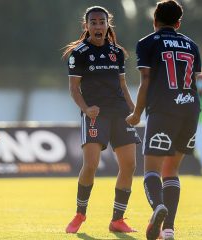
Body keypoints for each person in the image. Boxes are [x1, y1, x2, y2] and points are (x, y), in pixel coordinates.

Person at [126, 1, 202, 239]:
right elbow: (192, 80)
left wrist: (137, 113)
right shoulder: (192, 45)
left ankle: (158, 206)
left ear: (154, 20)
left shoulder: (147, 43)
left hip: (162, 110)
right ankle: (168, 230)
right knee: (172, 171)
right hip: (190, 110)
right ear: (178, 23)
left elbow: (146, 80)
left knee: (152, 171)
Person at [63, 6, 140, 234]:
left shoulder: (116, 52)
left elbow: (123, 85)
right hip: (95, 115)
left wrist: (133, 109)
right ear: (86, 26)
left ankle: (117, 219)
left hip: (120, 114)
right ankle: (80, 213)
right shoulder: (79, 53)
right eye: (93, 22)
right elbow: (74, 89)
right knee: (91, 165)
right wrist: (87, 109)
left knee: (129, 165)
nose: (98, 26)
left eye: (101, 22)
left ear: (108, 25)